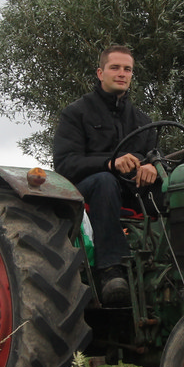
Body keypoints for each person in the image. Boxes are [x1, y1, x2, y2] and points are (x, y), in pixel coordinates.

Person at [52, 44, 158, 306]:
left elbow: (155, 154)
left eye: (127, 69)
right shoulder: (76, 113)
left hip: (130, 190)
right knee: (105, 181)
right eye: (115, 67)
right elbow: (65, 164)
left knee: (173, 184)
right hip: (87, 191)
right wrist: (110, 163)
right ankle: (111, 270)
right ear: (100, 73)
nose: (122, 73)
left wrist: (153, 166)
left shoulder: (143, 120)